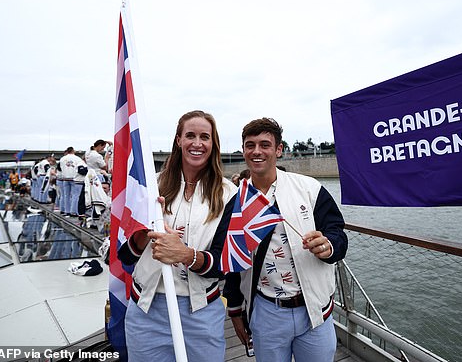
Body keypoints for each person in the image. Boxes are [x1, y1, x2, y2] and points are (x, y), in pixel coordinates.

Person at [223, 117, 348, 362]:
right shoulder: (236, 202)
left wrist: (328, 245)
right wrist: (235, 310)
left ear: (279, 150)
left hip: (315, 310)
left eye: (264, 144)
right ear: (244, 150)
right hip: (266, 311)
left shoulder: (309, 188)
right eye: (250, 145)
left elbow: (338, 234)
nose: (256, 151)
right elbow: (232, 261)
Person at [118, 110, 237, 361]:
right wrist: (146, 233)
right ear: (178, 140)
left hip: (201, 312)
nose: (197, 143)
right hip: (146, 310)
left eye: (204, 137)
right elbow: (124, 256)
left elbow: (225, 264)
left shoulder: (230, 194)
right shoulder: (149, 187)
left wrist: (185, 254)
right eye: (190, 135)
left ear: (213, 143)